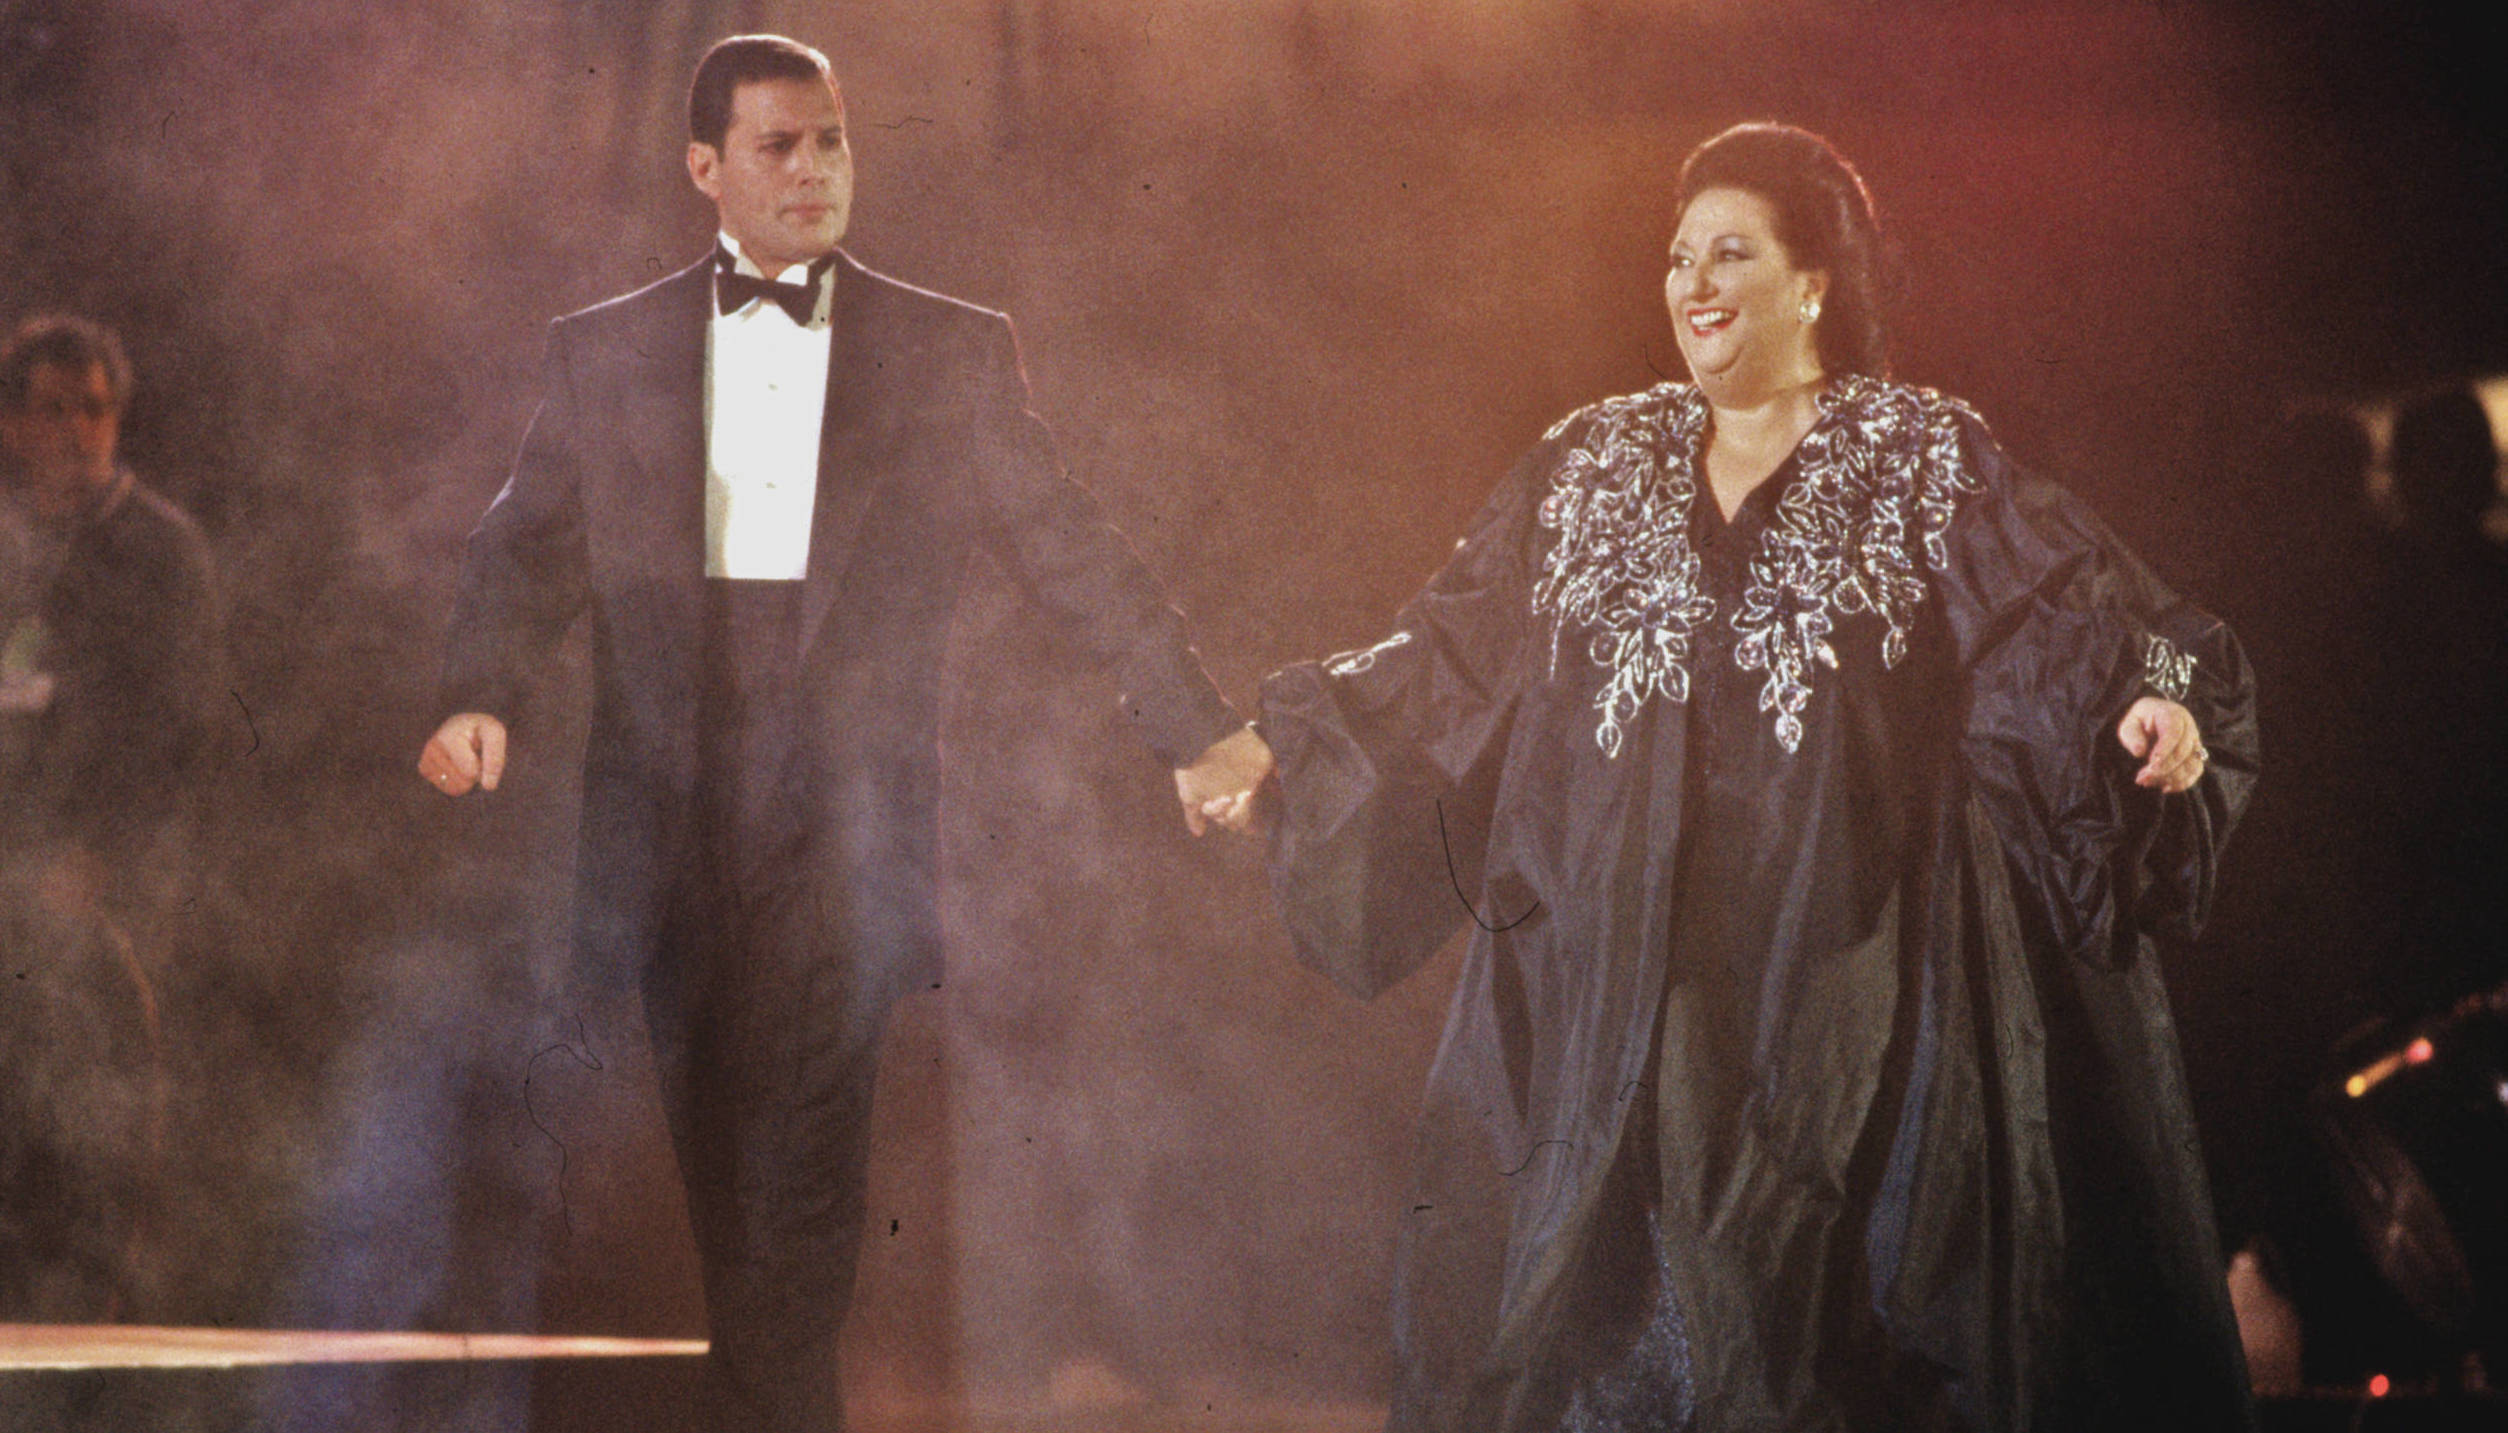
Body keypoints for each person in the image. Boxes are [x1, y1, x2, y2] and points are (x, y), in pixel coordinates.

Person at [1213, 124, 2260, 1430]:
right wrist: (1291, 741)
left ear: (1813, 279)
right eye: (1678, 257)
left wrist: (2154, 704)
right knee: (1614, 1348)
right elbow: (1450, 648)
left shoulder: (1919, 457)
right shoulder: (1592, 464)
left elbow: (2079, 617)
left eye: (1730, 252)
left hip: (1850, 1013)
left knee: (1830, 1346)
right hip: (1626, 1000)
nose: (1693, 283)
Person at [415, 34, 1267, 1432]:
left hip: (845, 844)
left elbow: (1073, 549)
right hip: (669, 842)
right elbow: (524, 547)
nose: (814, 170)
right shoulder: (606, 350)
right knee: (733, 1217)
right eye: (778, 146)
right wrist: (477, 695)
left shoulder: (946, 351)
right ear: (704, 167)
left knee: (797, 1212)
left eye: (832, 142)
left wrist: (1193, 725)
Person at [0, 313, 223, 1321]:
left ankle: (91, 1326)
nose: (78, 431)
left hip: (109, 891)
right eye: (54, 410)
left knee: (96, 1119)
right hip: (11, 884)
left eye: (94, 409)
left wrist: (95, 856)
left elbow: (178, 731)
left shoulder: (159, 551)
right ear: (13, 424)